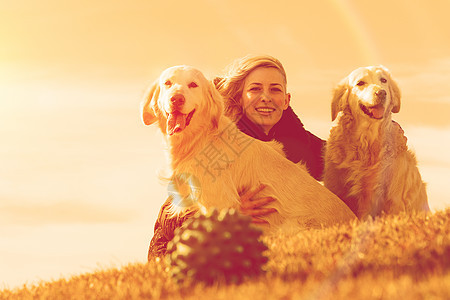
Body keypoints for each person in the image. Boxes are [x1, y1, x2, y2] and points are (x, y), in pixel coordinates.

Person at [147, 55, 326, 260]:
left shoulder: (299, 142)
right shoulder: (211, 137)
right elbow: (169, 221)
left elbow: (349, 163)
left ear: (286, 101)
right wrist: (231, 214)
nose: (265, 97)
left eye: (275, 89)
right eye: (255, 89)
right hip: (197, 245)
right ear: (240, 97)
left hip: (302, 234)